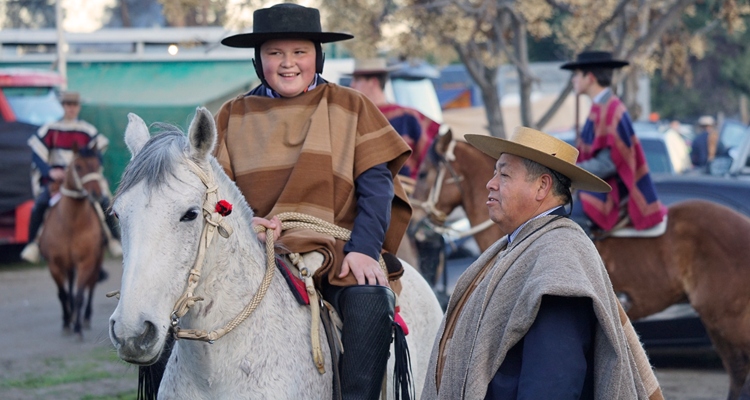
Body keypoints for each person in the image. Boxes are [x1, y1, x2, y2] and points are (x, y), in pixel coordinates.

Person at [216, 4, 412, 399]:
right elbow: (218, 196)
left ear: (317, 57)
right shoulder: (232, 114)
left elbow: (377, 189)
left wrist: (363, 250)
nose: (288, 64)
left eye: (299, 52)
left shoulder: (351, 106)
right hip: (256, 250)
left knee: (369, 300)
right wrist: (245, 224)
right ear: (259, 60)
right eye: (275, 53)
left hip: (338, 249)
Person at [422, 126, 663, 399]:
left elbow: (553, 382)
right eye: (494, 173)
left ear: (542, 186)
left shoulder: (558, 259)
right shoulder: (521, 247)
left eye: (504, 174)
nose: (491, 184)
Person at [561, 51, 667, 234]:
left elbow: (608, 163)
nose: (574, 80)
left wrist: (570, 171)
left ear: (590, 77)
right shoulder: (602, 107)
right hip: (596, 189)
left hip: (609, 194)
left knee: (563, 219)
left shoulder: (611, 109)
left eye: (577, 74)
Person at [21, 91, 120, 266]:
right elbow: (37, 154)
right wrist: (48, 172)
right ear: (63, 106)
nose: (71, 109)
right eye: (68, 105)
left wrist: (93, 171)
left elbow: (97, 154)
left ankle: (114, 240)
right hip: (58, 180)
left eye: (74, 105)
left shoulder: (87, 130)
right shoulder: (51, 128)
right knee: (40, 204)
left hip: (82, 179)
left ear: (78, 107)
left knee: (104, 201)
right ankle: (33, 244)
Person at [348, 58, 440, 184]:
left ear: (373, 82)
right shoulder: (351, 119)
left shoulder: (409, 116)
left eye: (357, 80)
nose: (352, 85)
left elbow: (432, 154)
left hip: (408, 195)